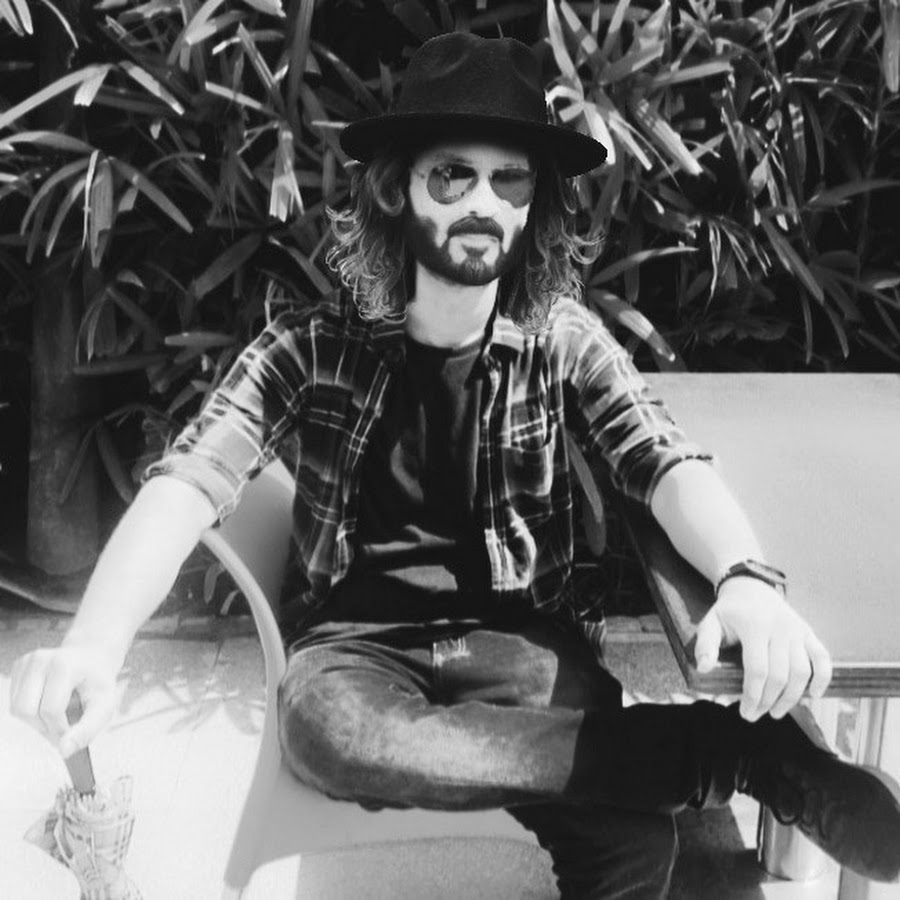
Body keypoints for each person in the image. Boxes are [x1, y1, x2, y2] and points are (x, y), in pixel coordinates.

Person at [10, 32, 900, 898]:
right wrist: (94, 643)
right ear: (397, 189)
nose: (483, 201)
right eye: (452, 175)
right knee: (330, 731)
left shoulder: (559, 340)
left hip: (524, 640)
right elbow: (187, 483)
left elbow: (660, 459)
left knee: (631, 832)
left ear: (531, 205)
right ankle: (734, 753)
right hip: (358, 647)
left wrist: (746, 579)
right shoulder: (310, 347)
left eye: (510, 179)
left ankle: (663, 759)